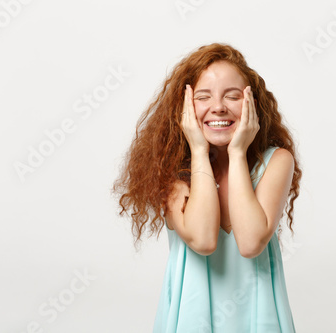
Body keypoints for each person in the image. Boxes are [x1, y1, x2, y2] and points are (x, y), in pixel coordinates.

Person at [112, 43, 302, 332]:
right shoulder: (172, 174)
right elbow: (203, 240)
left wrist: (238, 154)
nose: (218, 107)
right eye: (203, 97)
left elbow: (251, 243)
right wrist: (199, 152)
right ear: (184, 108)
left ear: (253, 104)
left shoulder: (276, 162)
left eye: (233, 96)